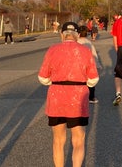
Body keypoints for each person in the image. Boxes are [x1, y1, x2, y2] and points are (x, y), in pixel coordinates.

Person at [37, 22, 99, 167]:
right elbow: (93, 79)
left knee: (58, 140)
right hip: (77, 99)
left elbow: (42, 78)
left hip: (57, 98)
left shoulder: (52, 50)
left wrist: (54, 81)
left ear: (62, 35)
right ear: (77, 36)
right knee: (78, 140)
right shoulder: (85, 51)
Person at [77, 26, 104, 104]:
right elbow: (93, 55)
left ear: (78, 34)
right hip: (87, 64)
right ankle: (91, 97)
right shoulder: (88, 43)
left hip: (77, 65)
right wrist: (97, 64)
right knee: (90, 81)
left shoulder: (75, 42)